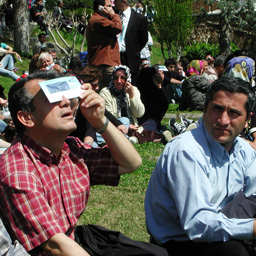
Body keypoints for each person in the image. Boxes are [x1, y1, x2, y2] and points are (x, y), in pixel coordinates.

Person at [0, 71, 142, 255]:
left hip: (75, 240)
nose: (66, 102)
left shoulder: (71, 150)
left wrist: (100, 121)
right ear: (26, 118)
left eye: (65, 95)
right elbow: (54, 246)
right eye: (50, 98)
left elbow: (131, 162)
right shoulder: (17, 170)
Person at [145, 76, 256, 256]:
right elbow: (197, 224)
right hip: (182, 243)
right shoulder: (187, 151)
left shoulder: (243, 150)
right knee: (236, 252)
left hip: (222, 220)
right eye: (217, 109)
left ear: (247, 119)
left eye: (234, 113)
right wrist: (251, 228)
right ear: (204, 109)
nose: (223, 120)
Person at [86, 0, 122, 90]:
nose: (111, 8)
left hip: (104, 64)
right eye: (109, 6)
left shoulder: (100, 19)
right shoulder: (99, 20)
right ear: (100, 7)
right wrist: (113, 15)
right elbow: (117, 27)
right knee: (110, 93)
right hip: (105, 66)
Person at [100, 65, 145, 132]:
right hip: (115, 126)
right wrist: (126, 125)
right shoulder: (106, 92)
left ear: (127, 79)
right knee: (125, 120)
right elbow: (109, 117)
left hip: (133, 126)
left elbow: (139, 114)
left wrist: (132, 96)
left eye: (122, 78)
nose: (119, 81)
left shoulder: (133, 90)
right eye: (116, 78)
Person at [114, 0, 148, 84]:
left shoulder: (139, 19)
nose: (114, 2)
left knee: (130, 86)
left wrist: (134, 49)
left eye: (116, 0)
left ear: (124, 2)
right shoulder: (113, 16)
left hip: (131, 58)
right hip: (114, 56)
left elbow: (143, 38)